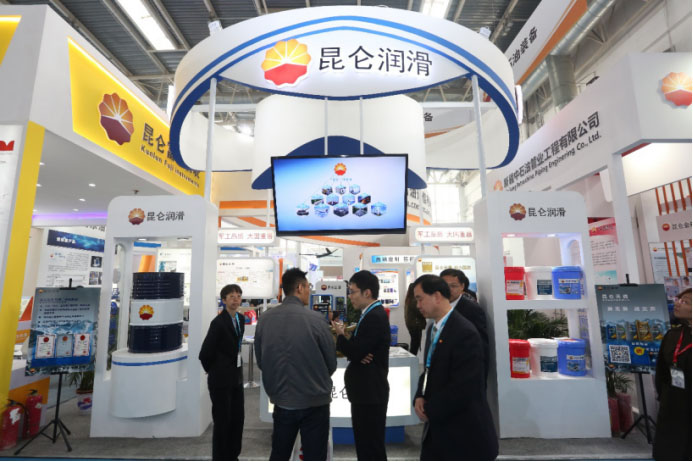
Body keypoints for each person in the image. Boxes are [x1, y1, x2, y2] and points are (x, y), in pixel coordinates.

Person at [412, 275, 498, 461]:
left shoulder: (464, 332)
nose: (417, 305)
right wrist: (420, 395)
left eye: (420, 299)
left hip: (463, 433)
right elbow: (429, 368)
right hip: (440, 429)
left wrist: (430, 409)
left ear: (436, 296)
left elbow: (465, 386)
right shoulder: (433, 329)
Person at [254, 268, 337, 461]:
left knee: (280, 454)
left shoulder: (265, 319)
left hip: (282, 401)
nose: (309, 291)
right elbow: (331, 363)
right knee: (315, 456)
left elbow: (261, 360)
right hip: (315, 402)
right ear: (299, 288)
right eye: (308, 287)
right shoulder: (317, 320)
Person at [332, 270, 390, 461]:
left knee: (370, 446)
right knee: (366, 443)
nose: (350, 296)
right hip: (365, 392)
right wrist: (357, 352)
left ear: (367, 292)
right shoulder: (370, 314)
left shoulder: (374, 316)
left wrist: (341, 335)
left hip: (369, 392)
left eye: (352, 291)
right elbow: (359, 352)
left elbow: (356, 352)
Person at [199, 284, 246, 461]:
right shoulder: (218, 323)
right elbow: (205, 353)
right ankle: (220, 457)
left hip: (236, 377)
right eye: (231, 296)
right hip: (220, 380)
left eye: (238, 296)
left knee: (237, 418)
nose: (235, 299)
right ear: (224, 300)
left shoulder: (241, 319)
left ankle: (233, 455)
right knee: (222, 421)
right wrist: (213, 369)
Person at [653, 288, 691, 460]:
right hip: (673, 400)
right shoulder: (673, 335)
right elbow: (662, 369)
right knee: (669, 447)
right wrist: (664, 395)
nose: (677, 304)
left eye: (685, 302)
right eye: (678, 299)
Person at [440, 268, 489, 380]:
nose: (448, 289)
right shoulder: (439, 307)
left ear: (462, 286)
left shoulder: (472, 309)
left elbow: (481, 345)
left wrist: (480, 376)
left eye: (453, 286)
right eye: (445, 286)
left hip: (466, 372)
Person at [404, 282, 426, 354]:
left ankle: (413, 357)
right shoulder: (414, 300)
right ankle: (413, 358)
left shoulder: (409, 299)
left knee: (414, 343)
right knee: (415, 344)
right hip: (416, 324)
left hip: (412, 324)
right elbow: (419, 312)